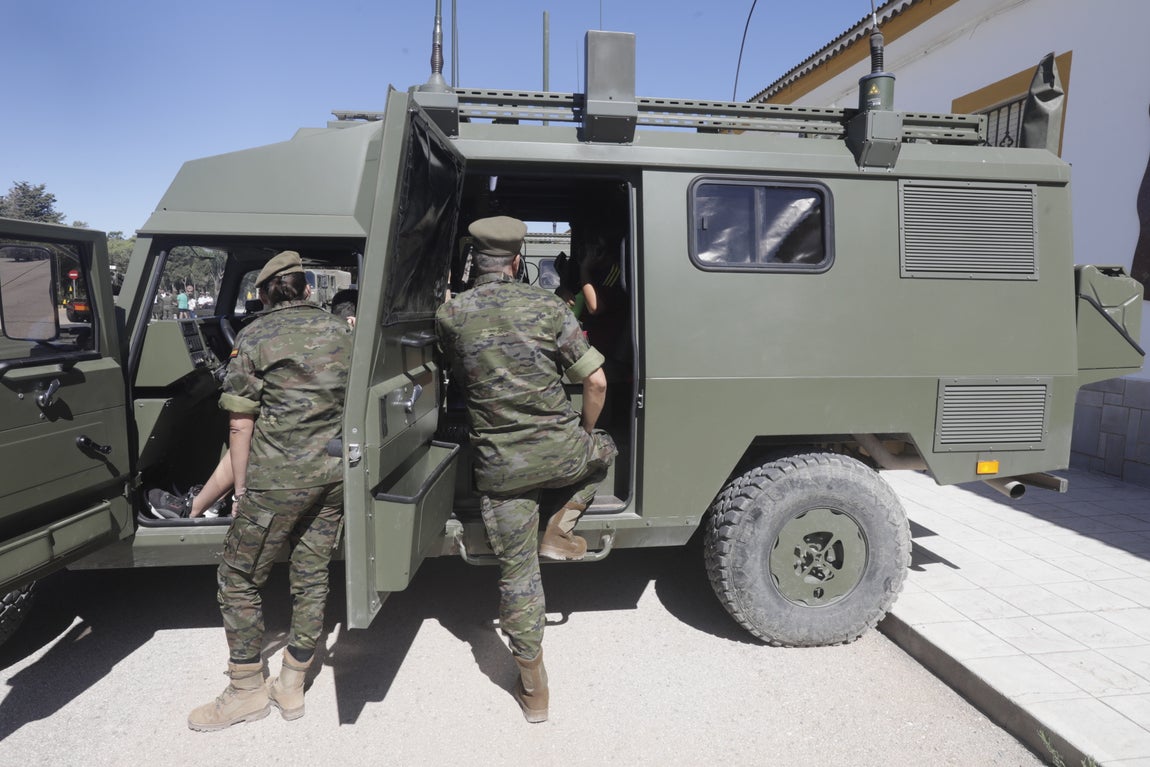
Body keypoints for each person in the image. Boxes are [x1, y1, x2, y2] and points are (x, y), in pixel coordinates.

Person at [435, 216, 616, 723]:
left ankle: (535, 692)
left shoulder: (452, 314)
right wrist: (579, 432)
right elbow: (596, 382)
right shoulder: (549, 307)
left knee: (518, 578)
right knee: (603, 449)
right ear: (517, 261)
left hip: (501, 469)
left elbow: (454, 373)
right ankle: (562, 524)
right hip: (560, 454)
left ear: (477, 261)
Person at [187, 250, 351, 732]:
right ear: (305, 288)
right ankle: (292, 682)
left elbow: (241, 425)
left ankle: (245, 691)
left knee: (237, 576)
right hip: (334, 475)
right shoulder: (342, 331)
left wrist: (239, 491)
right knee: (311, 573)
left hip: (278, 480)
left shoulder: (255, 336)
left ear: (262, 294)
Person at [148, 292, 358, 521]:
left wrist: (241, 496)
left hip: (324, 436)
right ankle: (213, 501)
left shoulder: (346, 337)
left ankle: (196, 508)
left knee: (249, 430)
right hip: (330, 424)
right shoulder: (343, 336)